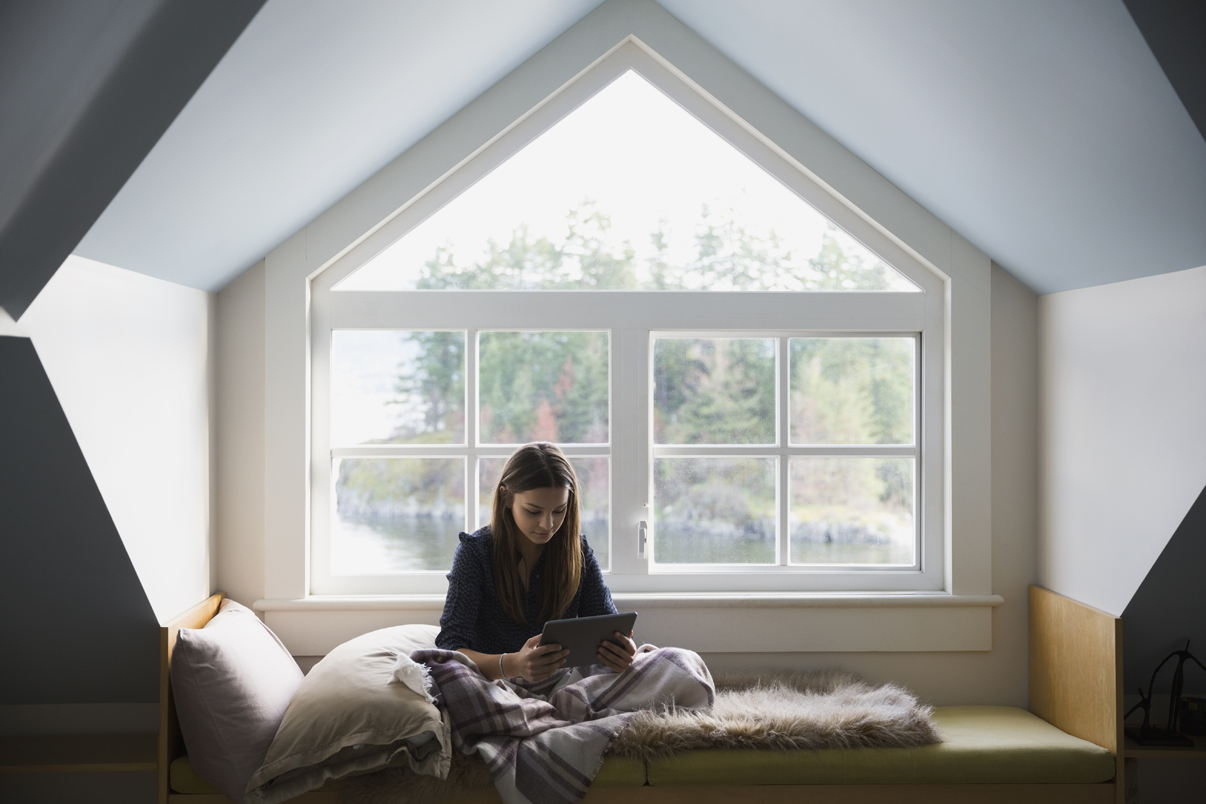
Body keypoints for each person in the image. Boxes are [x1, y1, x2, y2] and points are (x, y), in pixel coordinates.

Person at [435, 442, 637, 682]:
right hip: (496, 685)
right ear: (506, 497)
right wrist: (511, 664)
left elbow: (608, 628)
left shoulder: (578, 552)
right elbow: (449, 649)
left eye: (559, 510)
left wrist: (623, 652)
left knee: (677, 662)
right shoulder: (475, 554)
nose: (548, 524)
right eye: (533, 511)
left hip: (566, 682)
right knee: (449, 681)